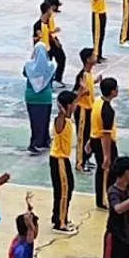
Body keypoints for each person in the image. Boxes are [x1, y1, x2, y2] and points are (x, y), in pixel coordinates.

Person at [50, 90, 79, 234]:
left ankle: (60, 216)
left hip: (64, 158)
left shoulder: (68, 119)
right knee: (63, 191)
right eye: (74, 103)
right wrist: (61, 112)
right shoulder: (60, 120)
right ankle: (60, 224)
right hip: (58, 159)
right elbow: (59, 123)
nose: (76, 105)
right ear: (68, 105)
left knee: (68, 187)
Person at [91, 77, 121, 209]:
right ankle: (103, 200)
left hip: (95, 140)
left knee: (103, 171)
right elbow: (106, 134)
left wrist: (88, 143)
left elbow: (94, 125)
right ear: (113, 92)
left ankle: (104, 197)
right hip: (104, 144)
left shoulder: (97, 102)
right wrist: (107, 156)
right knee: (105, 171)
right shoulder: (107, 110)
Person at [23, 31, 54, 154]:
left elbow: (25, 74)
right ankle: (44, 140)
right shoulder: (50, 66)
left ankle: (36, 142)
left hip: (31, 96)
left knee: (35, 120)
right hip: (45, 97)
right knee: (45, 119)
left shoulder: (28, 65)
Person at [74, 48, 98, 172]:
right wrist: (82, 92)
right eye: (93, 55)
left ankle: (86, 158)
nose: (96, 56)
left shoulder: (88, 74)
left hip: (89, 109)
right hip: (82, 110)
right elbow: (75, 93)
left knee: (88, 136)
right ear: (88, 59)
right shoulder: (82, 74)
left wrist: (94, 82)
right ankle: (80, 163)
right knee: (82, 137)